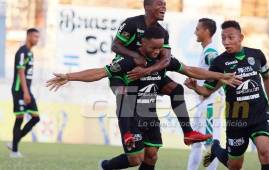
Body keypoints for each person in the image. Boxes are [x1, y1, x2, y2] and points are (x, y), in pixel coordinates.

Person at [46, 26, 241, 170]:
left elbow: (190, 70)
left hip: (149, 112)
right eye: (154, 48)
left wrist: (220, 76)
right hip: (131, 113)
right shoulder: (129, 62)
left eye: (161, 48)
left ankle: (188, 132)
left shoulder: (164, 60)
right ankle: (105, 166)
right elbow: (99, 72)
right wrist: (69, 76)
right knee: (135, 159)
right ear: (143, 44)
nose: (158, 52)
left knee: (152, 156)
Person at [112, 0, 211, 145]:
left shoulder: (162, 32)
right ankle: (127, 134)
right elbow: (115, 45)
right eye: (160, 3)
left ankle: (188, 133)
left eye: (165, 4)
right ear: (147, 6)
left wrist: (146, 70)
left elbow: (166, 60)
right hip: (126, 73)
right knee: (124, 94)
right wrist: (135, 57)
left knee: (176, 89)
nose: (164, 6)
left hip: (145, 73)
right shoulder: (132, 23)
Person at [185, 20, 269, 170]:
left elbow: (267, 78)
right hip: (236, 118)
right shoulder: (219, 63)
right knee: (235, 165)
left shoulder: (256, 55)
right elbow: (207, 91)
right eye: (223, 38)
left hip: (260, 114)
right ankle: (216, 148)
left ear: (241, 37)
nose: (226, 42)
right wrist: (195, 87)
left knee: (265, 153)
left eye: (230, 37)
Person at [187, 18, 225, 170]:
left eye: (197, 29)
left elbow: (221, 73)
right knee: (195, 142)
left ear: (206, 31)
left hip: (212, 101)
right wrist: (196, 86)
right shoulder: (206, 51)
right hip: (204, 101)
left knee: (210, 142)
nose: (195, 32)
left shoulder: (211, 52)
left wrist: (207, 91)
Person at [8, 28, 41, 158]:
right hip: (19, 90)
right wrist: (26, 93)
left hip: (27, 90)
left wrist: (28, 91)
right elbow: (21, 72)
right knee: (19, 118)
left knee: (35, 117)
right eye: (35, 36)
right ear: (28, 36)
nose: (37, 39)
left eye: (38, 37)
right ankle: (14, 151)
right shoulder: (22, 51)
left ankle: (14, 142)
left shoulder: (30, 53)